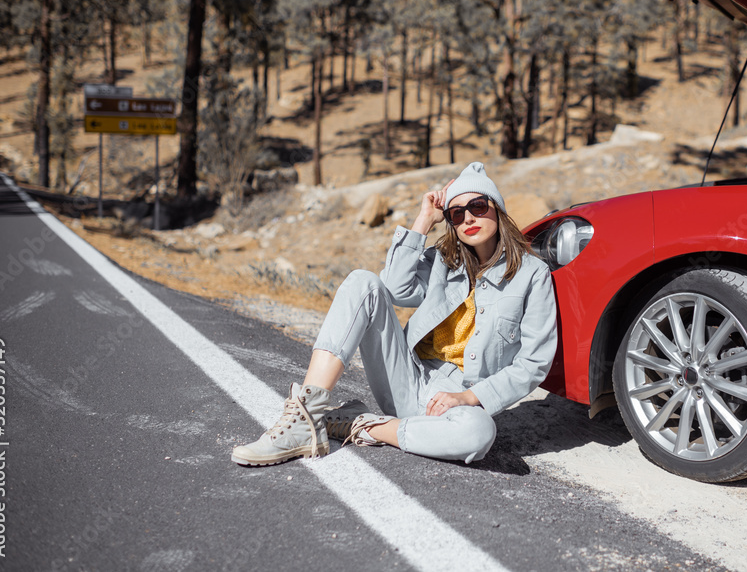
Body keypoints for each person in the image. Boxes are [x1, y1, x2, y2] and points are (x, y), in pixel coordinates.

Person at [231, 162, 558, 466]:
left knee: (479, 434)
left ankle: (365, 426)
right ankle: (305, 416)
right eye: (457, 214)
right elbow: (394, 289)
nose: (468, 219)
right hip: (408, 377)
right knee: (363, 281)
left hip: (461, 399)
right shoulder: (445, 261)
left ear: (497, 210)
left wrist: (468, 397)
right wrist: (425, 219)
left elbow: (533, 363)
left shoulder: (532, 274)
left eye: (478, 207)